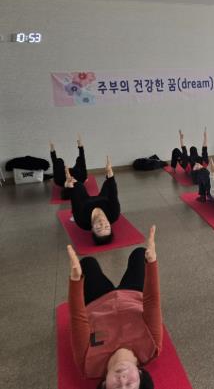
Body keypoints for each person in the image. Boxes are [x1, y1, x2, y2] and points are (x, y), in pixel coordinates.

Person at [66, 226, 160, 389]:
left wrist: (75, 279)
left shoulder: (88, 364)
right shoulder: (151, 346)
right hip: (132, 295)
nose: (122, 380)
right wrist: (151, 262)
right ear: (140, 375)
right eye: (130, 384)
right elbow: (152, 302)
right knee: (140, 253)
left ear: (104, 385)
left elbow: (77, 318)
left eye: (116, 387)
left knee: (87, 263)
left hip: (98, 301)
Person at [68, 156, 120, 246]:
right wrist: (110, 174)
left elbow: (75, 200)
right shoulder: (114, 214)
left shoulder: (81, 221)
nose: (102, 223)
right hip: (103, 200)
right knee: (108, 183)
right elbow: (113, 194)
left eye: (99, 228)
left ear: (92, 229)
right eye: (107, 226)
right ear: (110, 225)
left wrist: (70, 186)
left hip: (85, 203)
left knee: (78, 185)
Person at [50, 135, 88, 200]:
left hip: (63, 173)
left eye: (70, 182)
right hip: (76, 172)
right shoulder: (82, 177)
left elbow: (55, 162)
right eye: (73, 182)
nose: (72, 179)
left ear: (66, 186)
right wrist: (80, 147)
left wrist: (52, 149)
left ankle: (68, 180)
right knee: (80, 160)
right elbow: (82, 160)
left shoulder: (58, 180)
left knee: (59, 161)